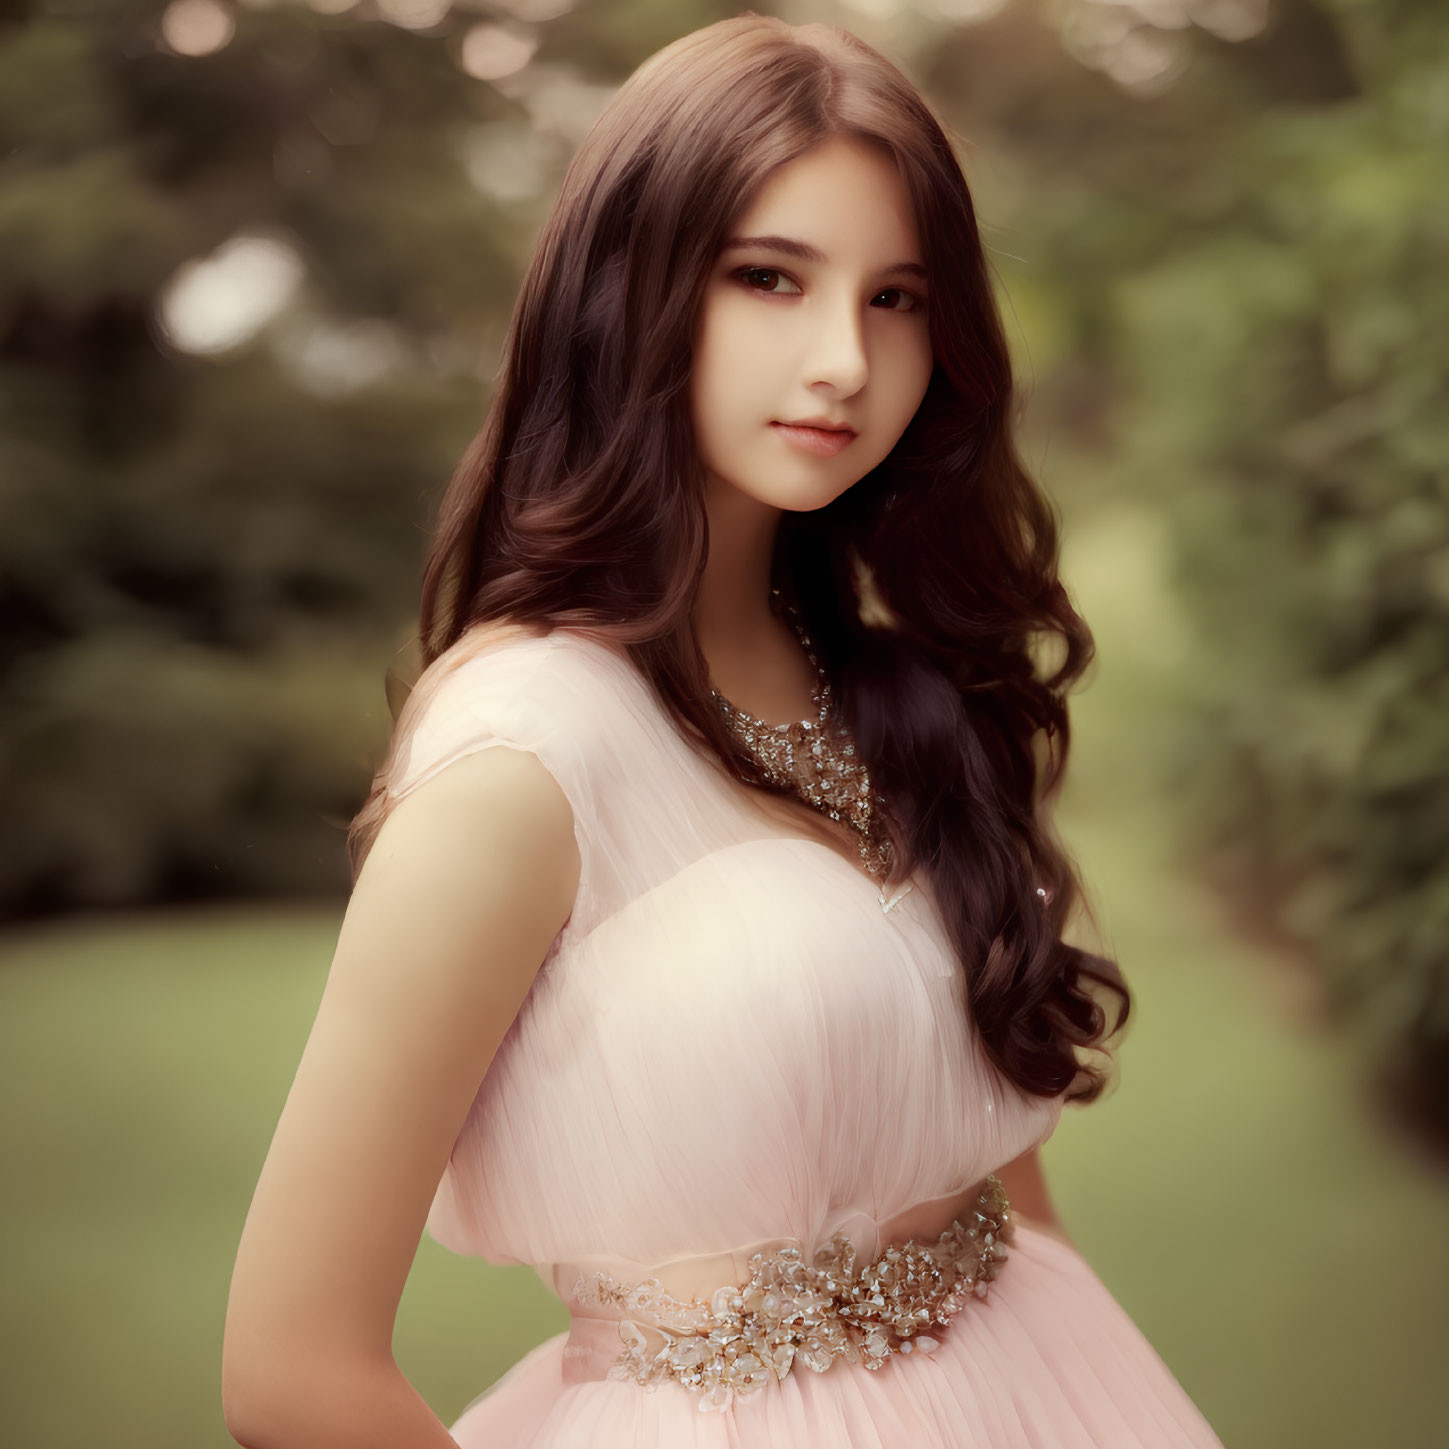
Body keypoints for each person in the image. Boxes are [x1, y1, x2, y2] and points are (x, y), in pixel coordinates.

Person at [222, 13, 1226, 1448]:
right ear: (622, 294)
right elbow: (289, 1370)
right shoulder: (522, 756)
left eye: (896, 297)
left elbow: (1006, 1177)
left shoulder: (903, 691)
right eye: (768, 277)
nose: (841, 360)